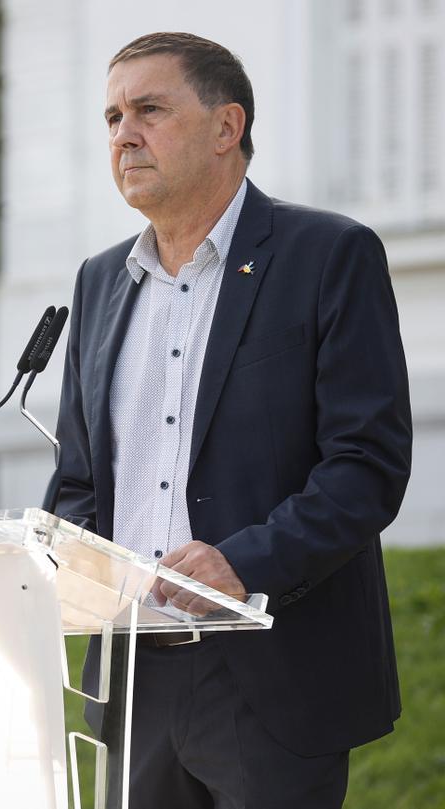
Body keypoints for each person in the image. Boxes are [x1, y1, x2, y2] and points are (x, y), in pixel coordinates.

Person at [49, 32, 412, 808]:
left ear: (226, 127)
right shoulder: (98, 282)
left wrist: (244, 562)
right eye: (111, 116)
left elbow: (365, 464)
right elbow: (79, 477)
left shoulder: (327, 254)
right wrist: (58, 566)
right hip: (132, 675)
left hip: (271, 661)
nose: (123, 134)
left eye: (149, 109)